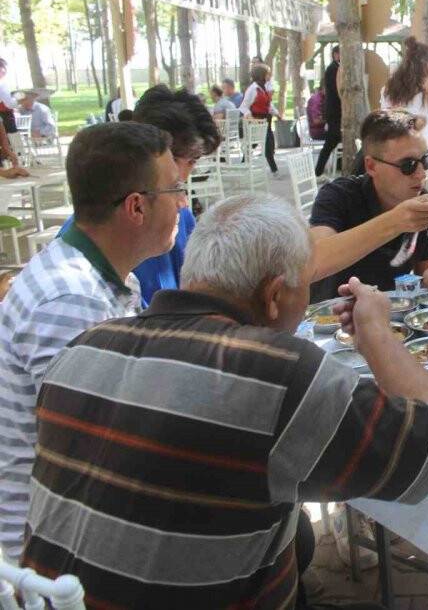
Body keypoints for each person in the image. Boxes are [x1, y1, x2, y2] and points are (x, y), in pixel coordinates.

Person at [21, 193, 428, 609]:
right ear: (274, 296)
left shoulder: (82, 348)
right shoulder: (280, 374)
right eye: (306, 285)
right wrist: (377, 332)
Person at [0, 123, 186, 561]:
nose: (183, 203)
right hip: (46, 553)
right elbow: (95, 454)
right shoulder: (71, 300)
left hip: (71, 524)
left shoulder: (95, 276)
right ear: (136, 207)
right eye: (175, 190)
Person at [60, 84, 222, 307]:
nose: (181, 175)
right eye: (173, 158)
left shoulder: (179, 216)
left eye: (192, 161)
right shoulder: (94, 238)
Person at [309, 109, 428, 302]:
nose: (421, 174)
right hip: (331, 314)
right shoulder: (339, 195)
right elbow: (315, 260)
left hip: (389, 315)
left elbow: (426, 280)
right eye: (408, 165)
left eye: (426, 160)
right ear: (371, 166)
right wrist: (395, 222)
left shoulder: (421, 204)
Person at [240, 63, 282, 176]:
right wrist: (250, 117)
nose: (269, 76)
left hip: (266, 120)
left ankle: (244, 165)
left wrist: (277, 114)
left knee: (267, 144)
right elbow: (243, 106)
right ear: (261, 75)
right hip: (257, 121)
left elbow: (268, 104)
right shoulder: (252, 89)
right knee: (261, 144)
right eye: (267, 74)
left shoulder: (264, 87)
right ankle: (274, 170)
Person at [315, 46, 342, 177]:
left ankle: (321, 170)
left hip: (335, 110)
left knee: (333, 141)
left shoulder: (336, 68)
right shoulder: (333, 69)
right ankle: (318, 171)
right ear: (335, 54)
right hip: (334, 110)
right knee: (331, 141)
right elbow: (336, 90)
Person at [0, 58, 17, 136]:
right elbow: (10, 104)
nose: (4, 70)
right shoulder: (2, 85)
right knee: (14, 140)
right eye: (3, 67)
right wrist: (22, 99)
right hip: (6, 118)